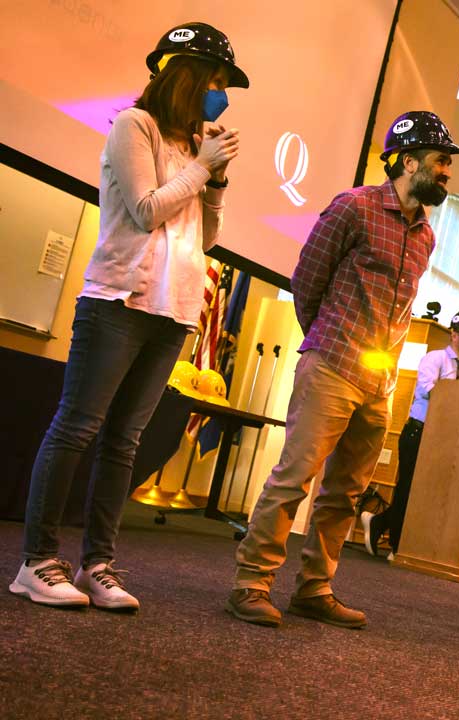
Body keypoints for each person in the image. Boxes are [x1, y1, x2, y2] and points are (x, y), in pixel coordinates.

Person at [9, 22, 246, 611]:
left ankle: (99, 565)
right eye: (215, 81)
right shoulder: (131, 126)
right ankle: (37, 560)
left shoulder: (194, 149)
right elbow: (144, 212)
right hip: (118, 299)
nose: (220, 95)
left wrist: (213, 181)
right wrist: (200, 170)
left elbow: (206, 237)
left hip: (174, 310)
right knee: (78, 426)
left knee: (124, 441)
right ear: (184, 76)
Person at [225, 110, 459, 628]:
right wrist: (326, 339)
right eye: (441, 160)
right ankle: (251, 583)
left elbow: (401, 308)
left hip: (378, 383)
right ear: (406, 159)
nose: (447, 170)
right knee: (295, 478)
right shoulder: (353, 208)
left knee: (346, 493)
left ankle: (314, 587)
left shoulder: (425, 234)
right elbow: (308, 279)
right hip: (332, 364)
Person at [361, 310, 459, 559]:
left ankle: (380, 524)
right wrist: (454, 391)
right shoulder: (434, 359)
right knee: (407, 488)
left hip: (446, 438)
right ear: (454, 334)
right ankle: (397, 546)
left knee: (427, 492)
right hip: (419, 430)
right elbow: (428, 389)